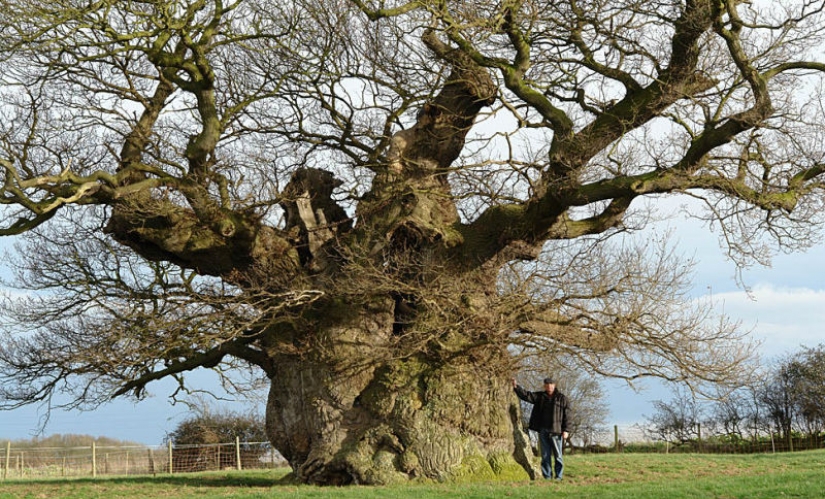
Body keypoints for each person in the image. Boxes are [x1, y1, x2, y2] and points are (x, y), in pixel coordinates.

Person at [512, 377, 570, 480]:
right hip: (543, 430)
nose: (549, 386)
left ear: (554, 385)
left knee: (558, 456)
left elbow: (567, 415)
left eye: (551, 384)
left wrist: (566, 430)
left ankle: (559, 477)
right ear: (544, 386)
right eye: (547, 385)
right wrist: (516, 387)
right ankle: (547, 476)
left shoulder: (562, 398)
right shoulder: (540, 396)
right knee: (545, 456)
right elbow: (527, 395)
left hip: (556, 431)